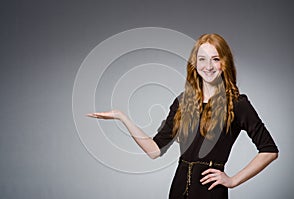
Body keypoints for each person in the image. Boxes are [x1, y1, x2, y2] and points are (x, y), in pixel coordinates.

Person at [87, 33, 279, 199]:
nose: (208, 66)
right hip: (178, 188)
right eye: (202, 59)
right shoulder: (183, 102)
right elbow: (154, 151)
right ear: (195, 63)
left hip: (210, 192)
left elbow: (269, 150)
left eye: (215, 59)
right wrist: (123, 117)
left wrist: (233, 180)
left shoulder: (237, 104)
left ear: (224, 62)